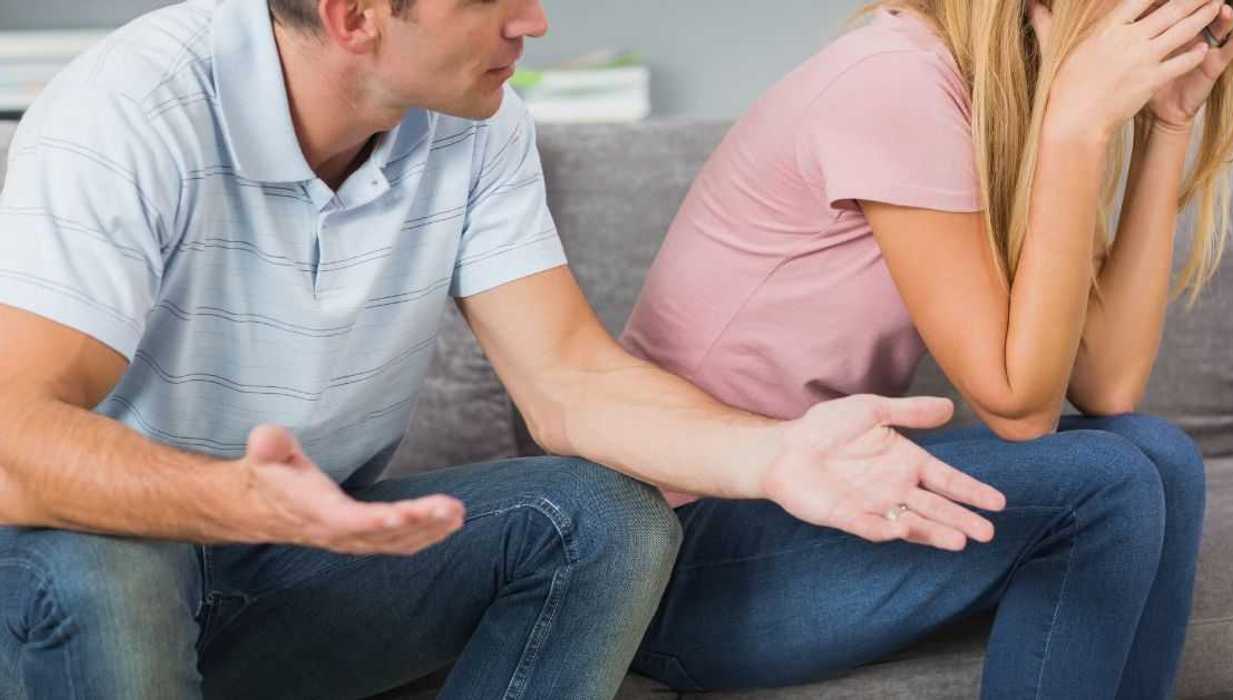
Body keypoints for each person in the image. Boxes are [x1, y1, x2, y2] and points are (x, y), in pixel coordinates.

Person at [0, 0, 1008, 698]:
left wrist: (774, 453)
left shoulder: (473, 126)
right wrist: (234, 500)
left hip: (295, 565)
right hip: (86, 573)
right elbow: (13, 439)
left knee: (603, 515)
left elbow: (569, 380)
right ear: (355, 17)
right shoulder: (132, 110)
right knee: (107, 572)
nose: (534, 20)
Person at [621, 0, 1233, 697]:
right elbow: (1019, 407)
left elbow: (1108, 384)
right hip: (678, 554)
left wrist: (1167, 122)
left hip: (814, 493)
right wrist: (1074, 130)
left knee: (1161, 455)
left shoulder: (1008, 104)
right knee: (1109, 479)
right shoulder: (897, 82)